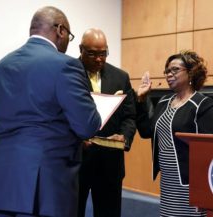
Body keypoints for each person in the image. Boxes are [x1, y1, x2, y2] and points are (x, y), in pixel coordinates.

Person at [0, 6, 101, 217]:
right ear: (61, 30)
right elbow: (88, 125)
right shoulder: (65, 66)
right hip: (44, 185)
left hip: (0, 181)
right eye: (69, 36)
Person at [135, 50, 213, 217]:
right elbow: (146, 132)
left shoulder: (202, 104)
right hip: (168, 179)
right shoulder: (164, 101)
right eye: (167, 71)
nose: (169, 74)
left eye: (174, 70)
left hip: (191, 180)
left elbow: (209, 147)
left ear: (191, 72)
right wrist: (142, 101)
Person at [77, 28, 136, 217]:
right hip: (77, 161)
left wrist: (124, 137)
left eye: (103, 54)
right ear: (81, 50)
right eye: (92, 54)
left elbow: (129, 116)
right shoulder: (67, 73)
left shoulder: (121, 77)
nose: (98, 59)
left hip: (110, 162)